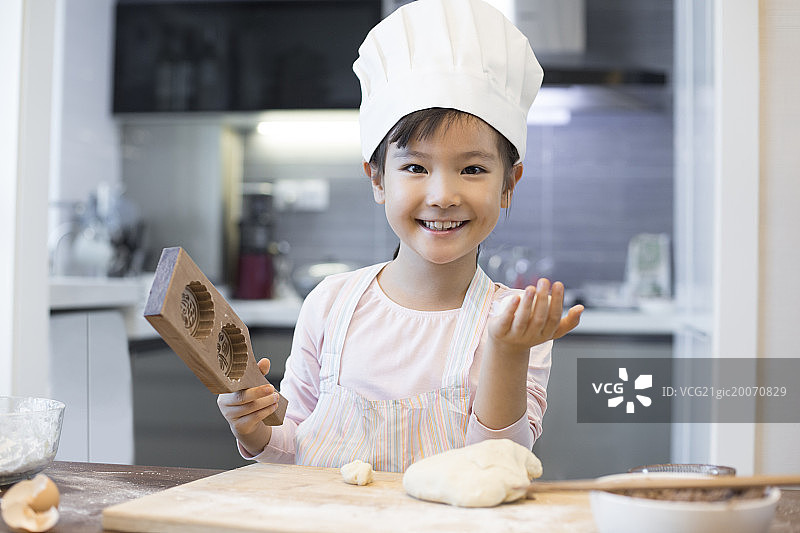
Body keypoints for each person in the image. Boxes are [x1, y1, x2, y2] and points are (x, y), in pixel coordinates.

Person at [218, 0, 584, 473]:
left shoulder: (512, 324)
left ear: (509, 184)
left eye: (472, 169)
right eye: (415, 167)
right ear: (377, 179)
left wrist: (506, 351)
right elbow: (297, 442)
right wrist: (255, 428)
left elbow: (499, 467)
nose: (442, 195)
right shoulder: (330, 304)